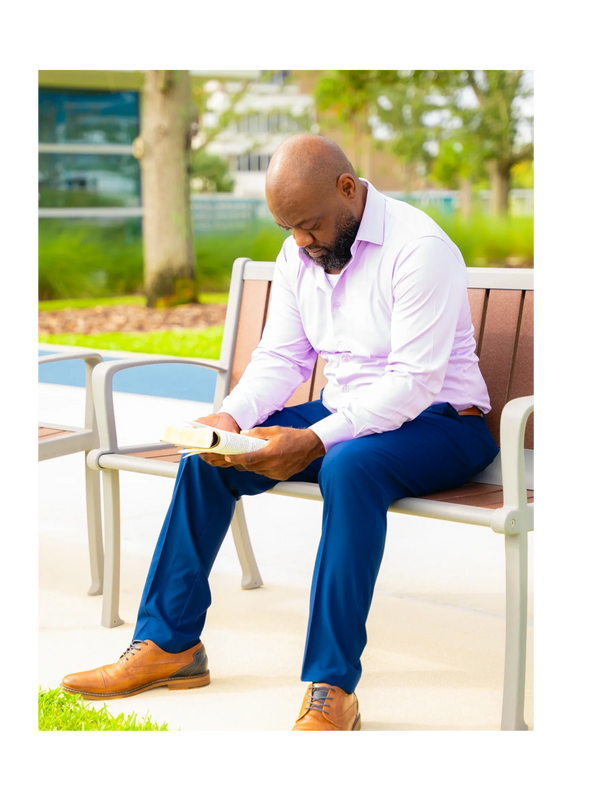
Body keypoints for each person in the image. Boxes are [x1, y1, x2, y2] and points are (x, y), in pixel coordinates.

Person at [61, 134, 499, 734]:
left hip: (444, 423)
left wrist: (317, 440)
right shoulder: (303, 252)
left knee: (351, 467)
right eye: (288, 228)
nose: (300, 242)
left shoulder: (420, 249)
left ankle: (331, 687)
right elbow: (281, 358)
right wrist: (230, 420)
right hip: (348, 416)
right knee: (206, 460)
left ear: (347, 188)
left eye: (309, 225)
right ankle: (169, 646)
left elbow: (414, 384)